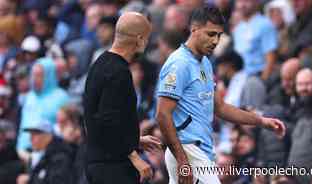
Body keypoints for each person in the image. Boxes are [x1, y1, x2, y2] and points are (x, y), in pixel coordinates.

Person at [156, 5, 286, 184]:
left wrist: (261, 121)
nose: (216, 41)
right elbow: (162, 114)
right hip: (188, 150)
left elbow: (221, 108)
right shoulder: (179, 64)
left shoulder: (205, 64)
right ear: (194, 30)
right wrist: (182, 159)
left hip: (201, 151)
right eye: (211, 34)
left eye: (219, 35)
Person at [83, 12, 161, 184]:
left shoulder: (99, 64)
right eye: (147, 38)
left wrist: (134, 140)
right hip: (112, 168)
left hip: (96, 161)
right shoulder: (119, 72)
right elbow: (108, 121)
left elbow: (96, 121)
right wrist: (134, 156)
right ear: (140, 40)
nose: (147, 43)